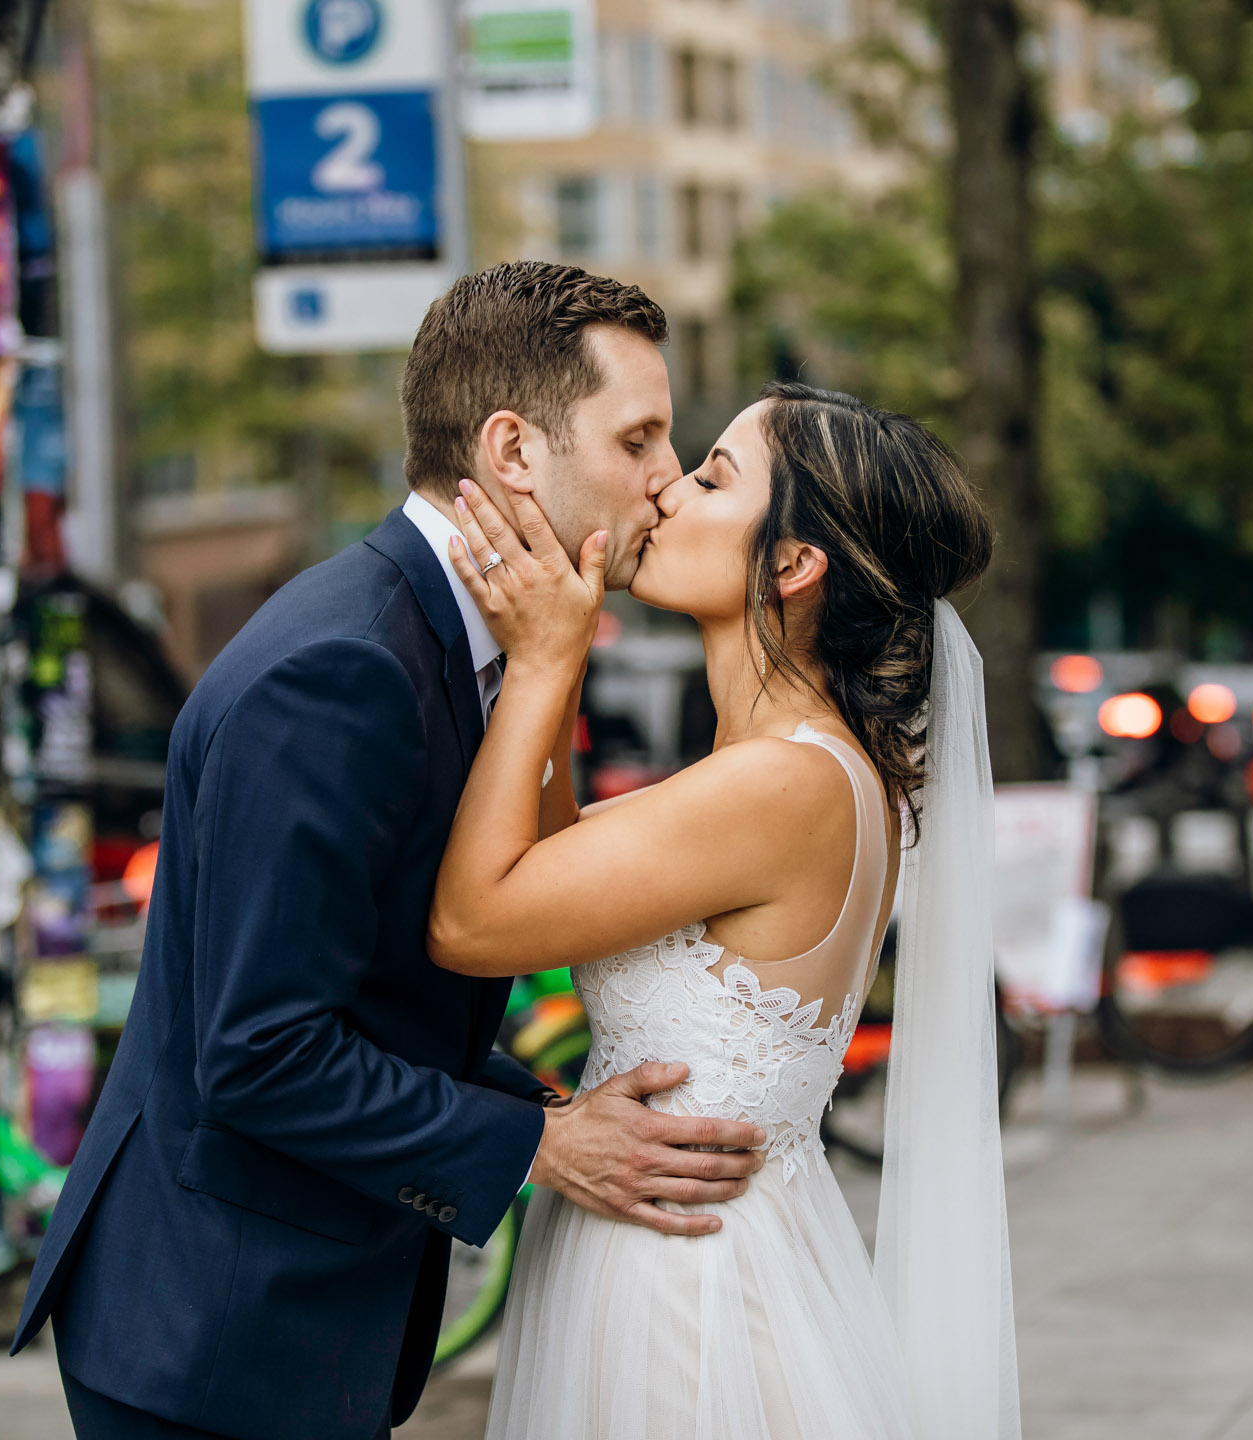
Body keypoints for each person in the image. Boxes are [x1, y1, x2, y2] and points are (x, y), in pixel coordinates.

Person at [9, 263, 773, 1440]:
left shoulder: (452, 639)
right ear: (515, 452)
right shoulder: (346, 670)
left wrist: (552, 1104)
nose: (667, 479)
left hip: (288, 1315)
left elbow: (382, 998)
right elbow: (262, 1053)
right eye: (640, 438)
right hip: (213, 1332)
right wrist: (539, 1145)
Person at [430, 381, 1022, 1439]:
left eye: (711, 475)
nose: (666, 483)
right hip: (668, 1243)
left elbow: (474, 924)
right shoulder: (786, 764)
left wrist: (543, 662)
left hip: (690, 1297)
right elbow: (564, 879)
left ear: (793, 566)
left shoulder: (784, 785)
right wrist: (558, 671)